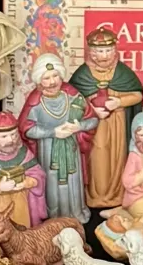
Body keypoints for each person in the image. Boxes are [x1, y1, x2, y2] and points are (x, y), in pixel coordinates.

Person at [67, 27, 143, 208]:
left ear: (115, 50)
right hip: (94, 126)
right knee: (98, 155)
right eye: (99, 51)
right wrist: (92, 108)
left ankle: (117, 193)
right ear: (91, 52)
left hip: (118, 124)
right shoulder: (82, 74)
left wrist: (119, 102)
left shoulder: (123, 72)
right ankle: (98, 194)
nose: (104, 56)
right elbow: (72, 99)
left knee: (118, 156)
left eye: (108, 50)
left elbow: (137, 95)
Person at [20, 55, 100, 221]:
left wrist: (79, 127)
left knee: (73, 182)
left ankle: (75, 213)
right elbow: (26, 129)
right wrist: (53, 132)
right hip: (47, 151)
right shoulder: (35, 102)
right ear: (39, 80)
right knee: (52, 183)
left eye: (55, 76)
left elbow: (93, 120)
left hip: (72, 150)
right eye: (46, 78)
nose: (52, 82)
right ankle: (54, 216)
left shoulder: (73, 96)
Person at [0, 114, 48, 259]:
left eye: (13, 135)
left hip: (21, 205)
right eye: (4, 137)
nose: (10, 140)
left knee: (23, 232)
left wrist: (27, 182)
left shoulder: (25, 154)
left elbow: (39, 174)